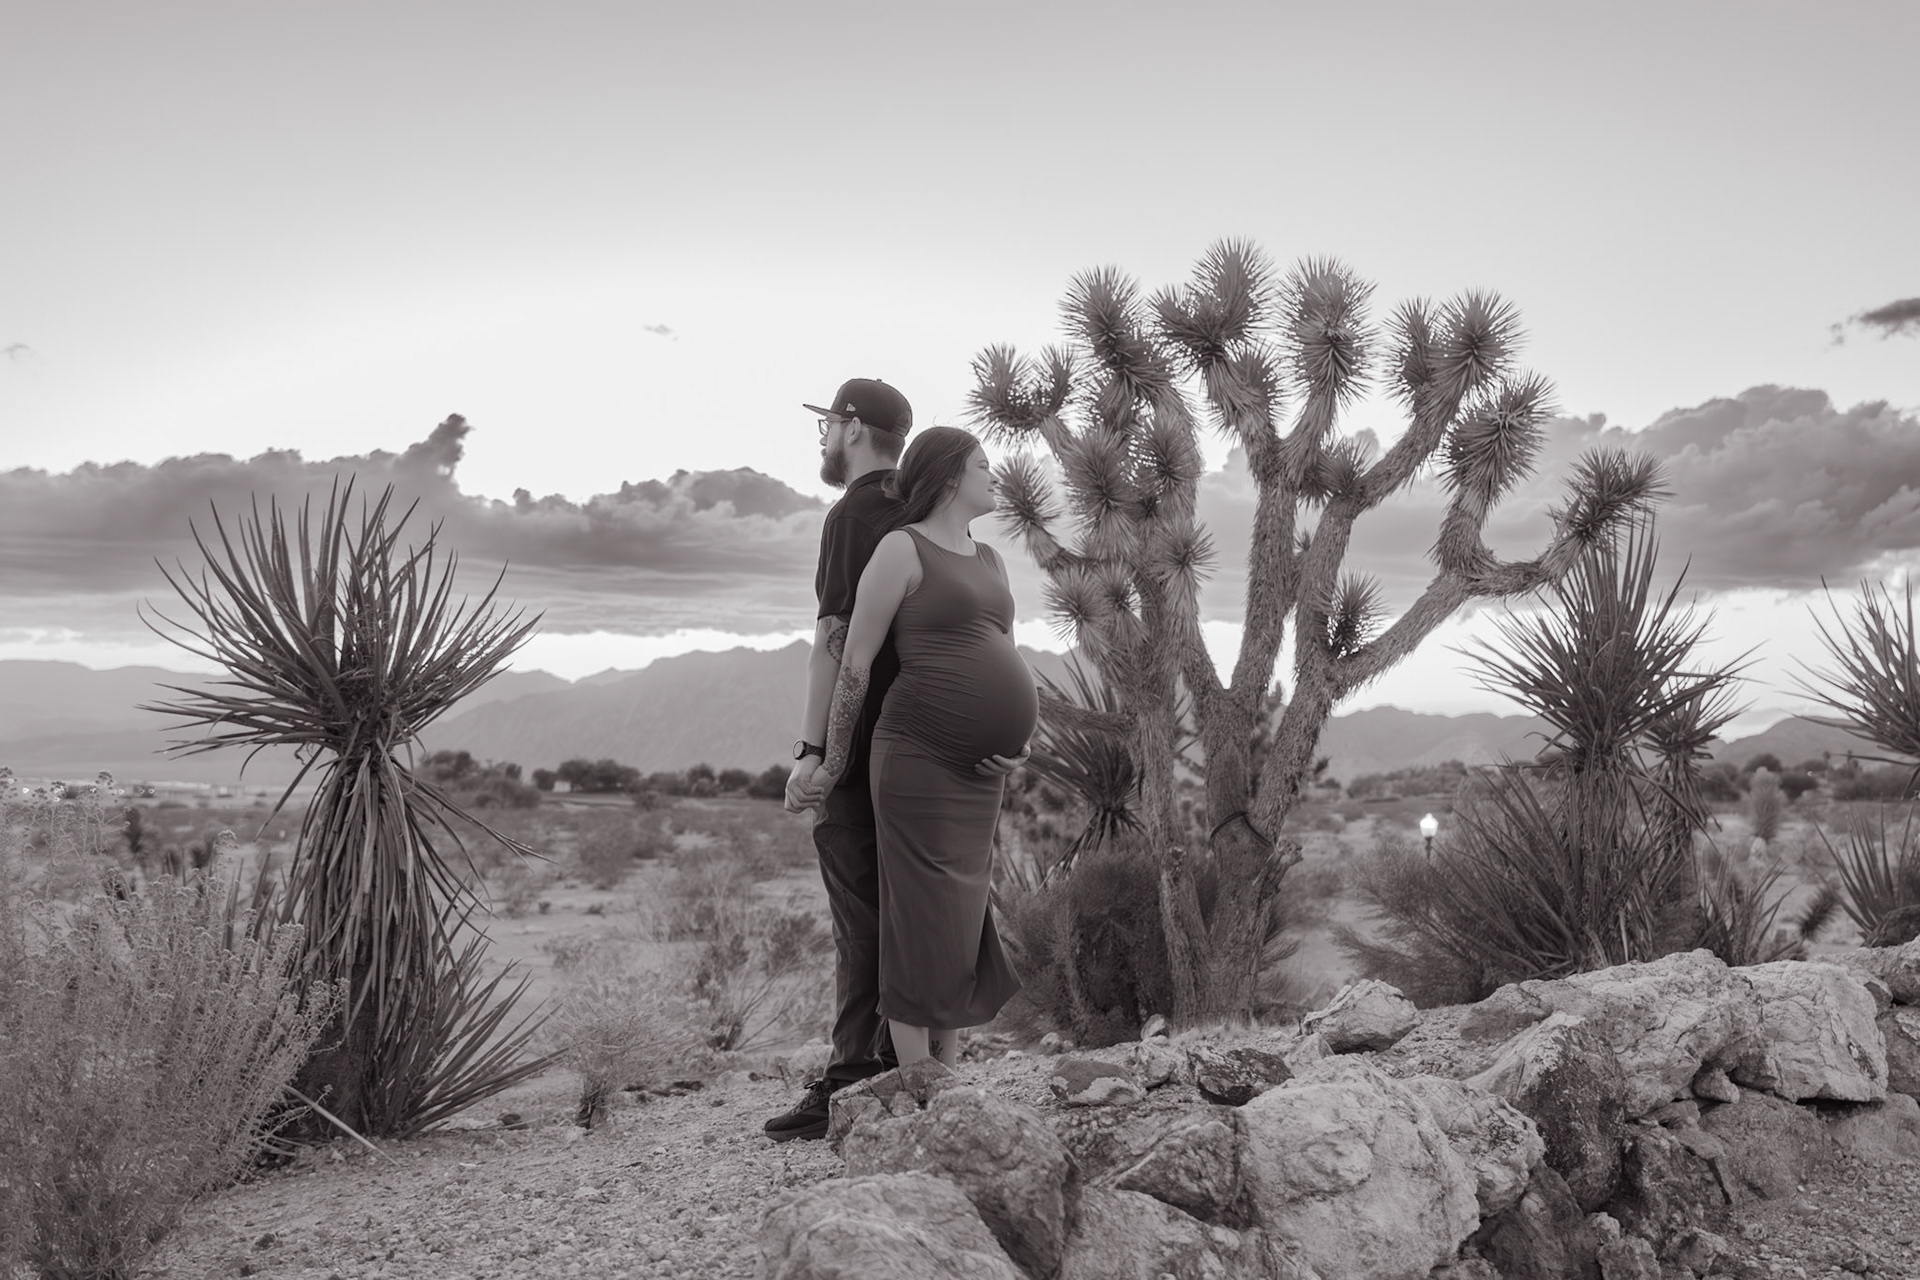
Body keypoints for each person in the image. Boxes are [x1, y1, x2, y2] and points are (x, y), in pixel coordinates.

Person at [811, 426, 1033, 1068]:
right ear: (949, 475)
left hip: (982, 771)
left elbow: (1005, 651)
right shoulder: (900, 549)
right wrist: (832, 760)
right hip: (917, 755)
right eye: (983, 466)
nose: (994, 476)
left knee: (961, 909)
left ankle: (948, 1071)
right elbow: (855, 664)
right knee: (916, 909)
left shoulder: (990, 559)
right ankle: (915, 1076)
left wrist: (1020, 741)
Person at [762, 376, 911, 1144]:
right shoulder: (919, 509)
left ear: (853, 428)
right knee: (908, 910)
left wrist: (812, 750)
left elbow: (834, 641)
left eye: (825, 423)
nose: (821, 436)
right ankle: (906, 1062)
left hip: (859, 746)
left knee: (859, 918)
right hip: (922, 744)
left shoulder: (852, 514)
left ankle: (851, 1078)